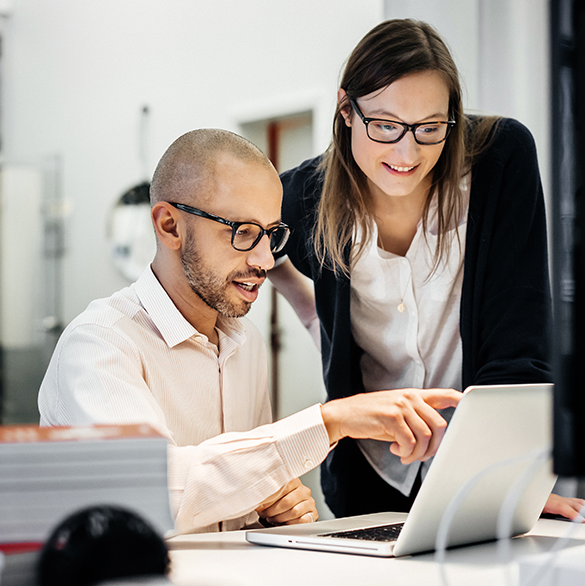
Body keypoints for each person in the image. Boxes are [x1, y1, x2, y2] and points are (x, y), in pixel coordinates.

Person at [38, 128, 462, 535]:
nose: (264, 259)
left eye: (271, 234)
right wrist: (330, 421)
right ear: (169, 226)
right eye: (242, 232)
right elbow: (154, 498)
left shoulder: (247, 345)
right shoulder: (99, 344)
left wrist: (273, 510)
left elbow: (235, 496)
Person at [268, 18, 585, 522]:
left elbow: (520, 340)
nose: (408, 153)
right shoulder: (306, 194)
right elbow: (240, 241)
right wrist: (300, 298)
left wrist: (510, 478)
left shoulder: (498, 162)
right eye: (384, 125)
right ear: (346, 111)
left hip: (479, 471)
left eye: (429, 129)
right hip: (369, 476)